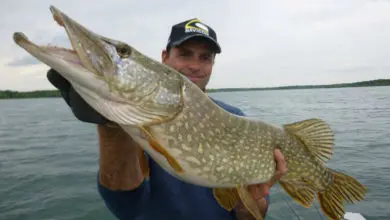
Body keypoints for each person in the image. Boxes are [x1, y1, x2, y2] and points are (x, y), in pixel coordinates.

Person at [47, 18, 287, 220]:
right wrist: (111, 127)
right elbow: (125, 203)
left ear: (212, 65)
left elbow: (253, 214)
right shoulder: (137, 120)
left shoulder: (235, 118)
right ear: (164, 57)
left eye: (205, 58)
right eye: (184, 54)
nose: (195, 65)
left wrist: (248, 202)